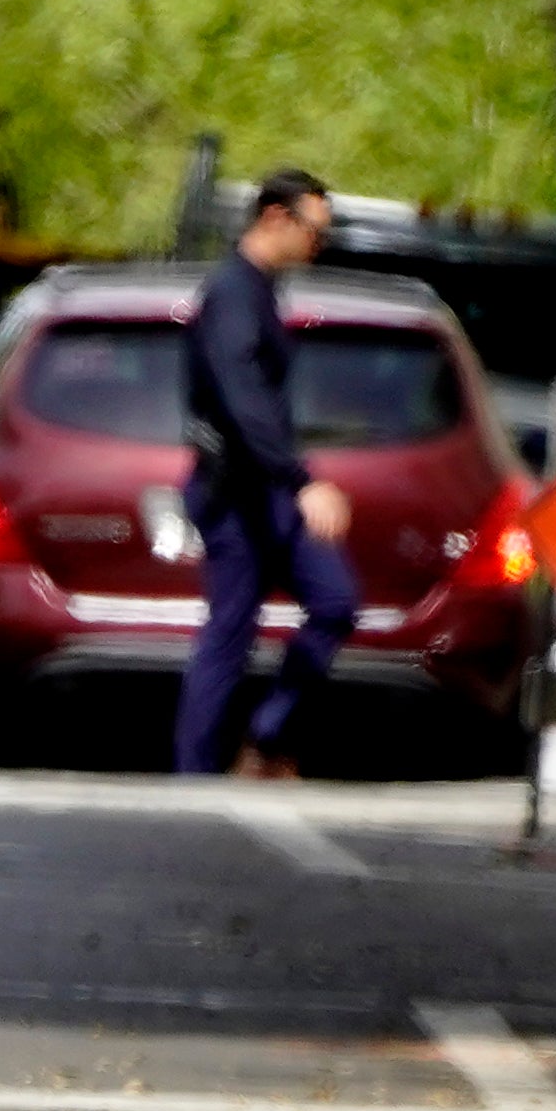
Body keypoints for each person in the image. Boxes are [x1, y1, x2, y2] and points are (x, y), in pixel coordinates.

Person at [177, 171, 361, 778]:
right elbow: (240, 395)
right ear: (275, 218)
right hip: (238, 490)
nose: (319, 245)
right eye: (314, 231)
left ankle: (267, 733)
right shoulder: (233, 291)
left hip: (267, 487)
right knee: (230, 630)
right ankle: (194, 779)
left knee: (334, 601)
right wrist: (300, 476)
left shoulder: (260, 289)